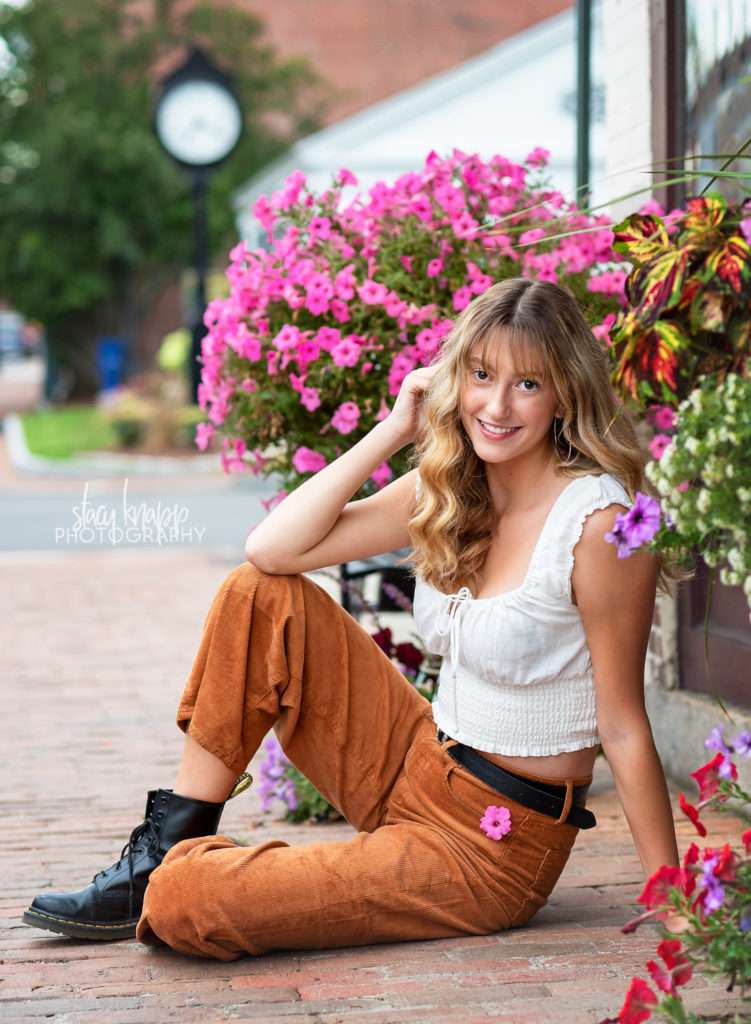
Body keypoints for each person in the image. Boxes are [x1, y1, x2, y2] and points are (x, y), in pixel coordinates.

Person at [23, 277, 684, 958]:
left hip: (486, 846)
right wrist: (396, 428)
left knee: (186, 902)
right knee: (258, 593)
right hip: (414, 756)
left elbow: (622, 725)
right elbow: (271, 550)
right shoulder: (458, 484)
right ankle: (167, 845)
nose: (493, 405)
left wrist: (673, 896)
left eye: (526, 384)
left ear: (563, 394)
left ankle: (188, 876)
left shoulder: (598, 523)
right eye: (480, 375)